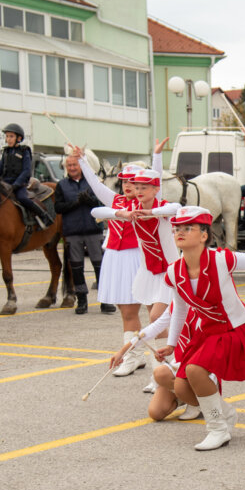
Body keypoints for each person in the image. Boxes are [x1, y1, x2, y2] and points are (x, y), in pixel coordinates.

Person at [154, 206, 245, 451]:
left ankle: (217, 429)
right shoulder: (174, 271)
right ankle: (226, 413)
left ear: (204, 235)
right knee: (181, 386)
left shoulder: (222, 259)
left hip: (234, 329)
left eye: (187, 228)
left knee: (195, 370)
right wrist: (171, 343)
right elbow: (179, 309)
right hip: (208, 333)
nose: (180, 232)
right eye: (177, 228)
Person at [92, 140, 179, 392]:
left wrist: (157, 155)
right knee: (157, 327)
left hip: (169, 272)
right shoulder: (129, 209)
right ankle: (160, 375)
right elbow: (97, 211)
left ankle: (167, 372)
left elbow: (177, 207)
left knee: (155, 319)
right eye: (136, 186)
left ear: (155, 189)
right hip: (149, 273)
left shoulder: (163, 209)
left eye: (144, 187)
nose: (138, 191)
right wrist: (121, 214)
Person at [77, 152, 146, 377]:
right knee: (123, 310)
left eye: (133, 182)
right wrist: (81, 161)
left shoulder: (146, 204)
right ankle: (136, 353)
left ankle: (133, 357)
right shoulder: (115, 201)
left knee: (130, 311)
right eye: (125, 181)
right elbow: (95, 189)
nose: (127, 185)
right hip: (115, 257)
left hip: (134, 256)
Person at [54, 145, 115, 315]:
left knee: (99, 265)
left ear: (80, 166)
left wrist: (89, 201)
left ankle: (105, 300)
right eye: (69, 166)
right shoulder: (62, 185)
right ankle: (81, 300)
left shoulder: (92, 183)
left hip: (92, 229)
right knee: (77, 268)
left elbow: (101, 203)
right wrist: (75, 204)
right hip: (72, 231)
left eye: (75, 165)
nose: (72, 168)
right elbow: (58, 207)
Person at [0, 123, 53, 228]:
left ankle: (44, 216)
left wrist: (16, 185)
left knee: (22, 198)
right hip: (5, 183)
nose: (8, 139)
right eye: (7, 136)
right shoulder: (6, 151)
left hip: (19, 185)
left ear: (19, 138)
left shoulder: (25, 151)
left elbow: (26, 171)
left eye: (11, 136)